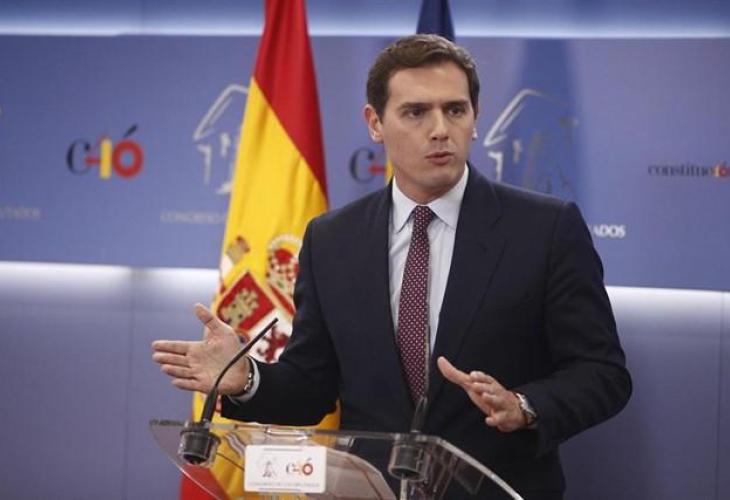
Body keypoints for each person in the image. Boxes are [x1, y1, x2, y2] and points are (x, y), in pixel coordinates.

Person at [152, 34, 631, 499]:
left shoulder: (545, 229)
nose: (439, 129)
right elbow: (312, 386)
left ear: (475, 117)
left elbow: (602, 373)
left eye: (455, 110)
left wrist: (524, 406)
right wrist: (246, 378)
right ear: (375, 123)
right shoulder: (332, 239)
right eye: (416, 112)